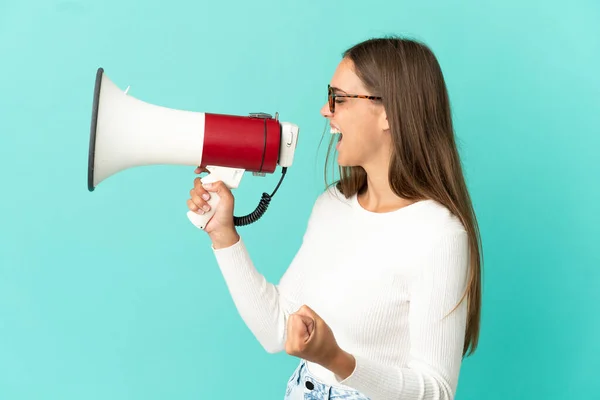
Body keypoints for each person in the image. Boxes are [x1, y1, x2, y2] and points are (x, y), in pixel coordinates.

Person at [187, 36, 483, 400]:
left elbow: (437, 391)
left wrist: (338, 360)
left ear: (389, 112)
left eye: (338, 98)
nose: (325, 110)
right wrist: (223, 235)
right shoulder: (333, 205)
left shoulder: (438, 234)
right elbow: (277, 330)